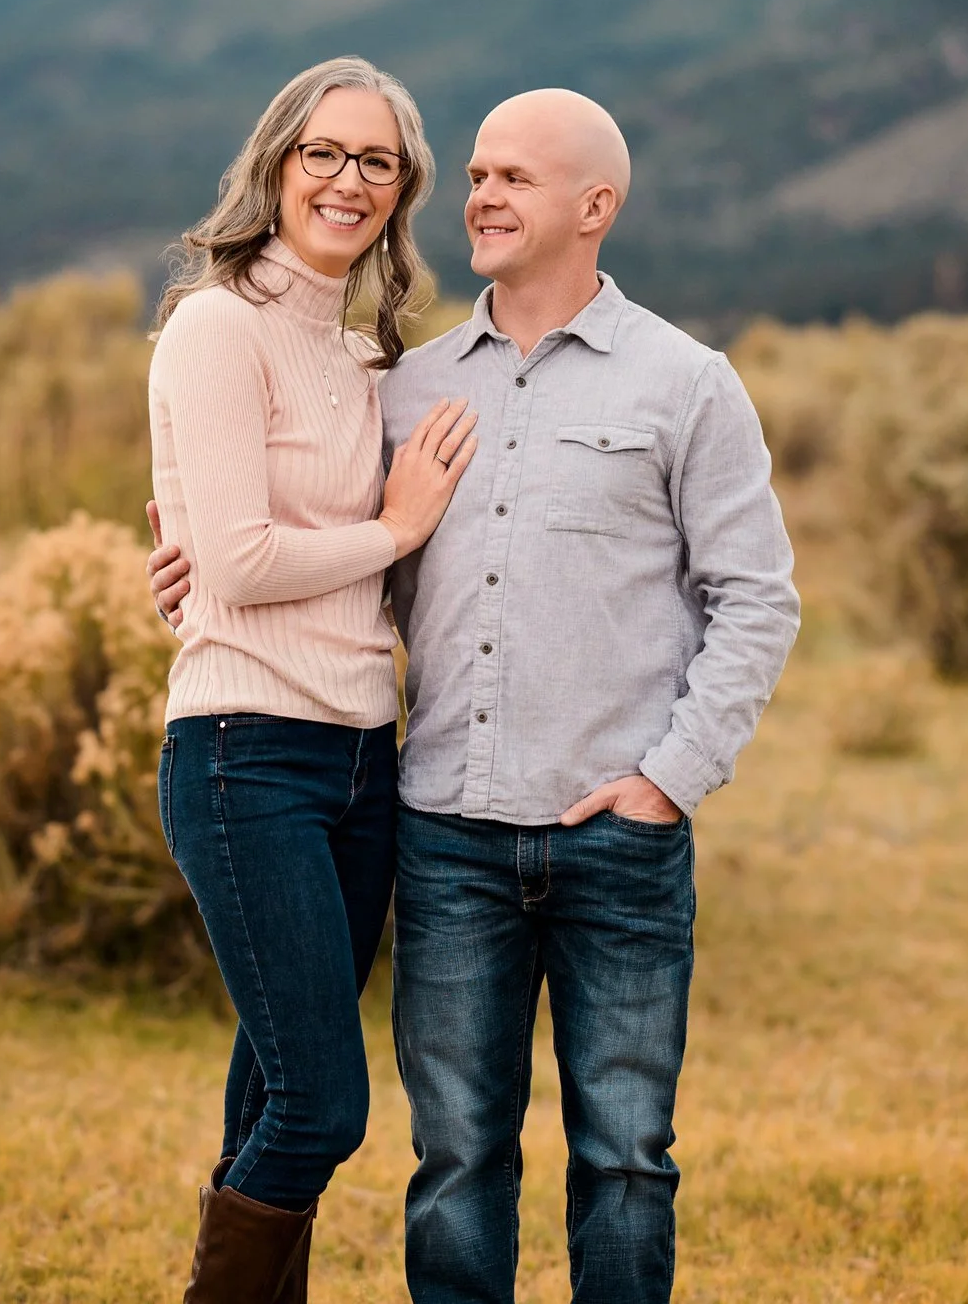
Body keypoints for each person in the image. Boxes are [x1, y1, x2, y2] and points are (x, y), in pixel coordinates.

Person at [151, 87, 800, 1303]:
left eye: (516, 178)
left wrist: (671, 778)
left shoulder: (685, 383)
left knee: (623, 1160)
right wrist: (198, 571)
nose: (482, 197)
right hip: (441, 831)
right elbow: (337, 551)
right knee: (451, 1159)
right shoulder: (408, 384)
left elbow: (757, 598)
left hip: (619, 836)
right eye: (476, 175)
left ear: (596, 206)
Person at [146, 54, 478, 1303]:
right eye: (322, 154)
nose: (346, 180)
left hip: (360, 761)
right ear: (276, 166)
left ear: (400, 195)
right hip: (245, 754)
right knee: (323, 1105)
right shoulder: (216, 325)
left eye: (375, 162)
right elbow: (234, 559)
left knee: (268, 1091)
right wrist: (390, 533)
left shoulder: (365, 361)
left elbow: (263, 548)